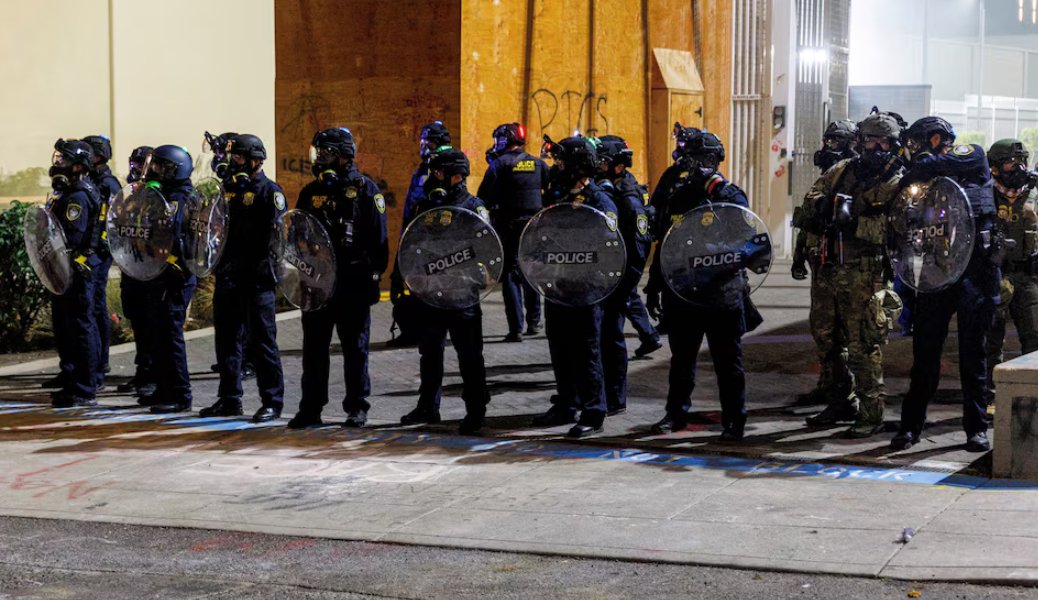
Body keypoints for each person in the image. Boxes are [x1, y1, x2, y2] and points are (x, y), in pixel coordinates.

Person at [794, 111, 906, 436]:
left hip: (865, 274)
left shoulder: (898, 182)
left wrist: (854, 219)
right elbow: (810, 199)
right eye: (870, 140)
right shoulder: (842, 170)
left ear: (893, 144)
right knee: (826, 338)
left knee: (863, 345)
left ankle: (871, 414)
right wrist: (825, 206)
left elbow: (897, 230)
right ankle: (839, 401)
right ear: (860, 141)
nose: (876, 147)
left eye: (883, 142)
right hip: (828, 269)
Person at [891, 117, 999, 452]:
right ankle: (910, 427)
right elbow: (904, 193)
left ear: (936, 139)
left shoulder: (971, 154)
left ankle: (976, 429)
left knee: (973, 357)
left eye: (918, 142)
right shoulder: (925, 180)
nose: (913, 150)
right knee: (924, 357)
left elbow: (935, 165)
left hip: (975, 274)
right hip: (936, 273)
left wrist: (925, 162)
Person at [644, 128, 754, 441]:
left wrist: (716, 190)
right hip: (684, 292)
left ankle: (734, 420)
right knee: (681, 361)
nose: (692, 164)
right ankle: (675, 414)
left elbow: (747, 238)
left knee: (728, 363)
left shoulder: (730, 195)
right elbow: (666, 245)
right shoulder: (678, 196)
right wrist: (655, 285)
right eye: (689, 158)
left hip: (722, 292)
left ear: (713, 160)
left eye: (699, 158)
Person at [287, 127, 388, 429]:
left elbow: (378, 239)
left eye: (326, 152)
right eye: (318, 152)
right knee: (314, 349)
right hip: (318, 283)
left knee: (355, 349)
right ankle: (311, 408)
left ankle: (357, 407)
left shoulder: (366, 189)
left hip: (352, 284)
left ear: (344, 156)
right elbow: (296, 235)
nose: (319, 158)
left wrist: (372, 277)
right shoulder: (310, 192)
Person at [395, 147, 492, 433]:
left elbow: (489, 249)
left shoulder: (474, 208)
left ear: (456, 176)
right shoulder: (426, 206)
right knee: (430, 353)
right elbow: (412, 242)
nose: (433, 177)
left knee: (469, 355)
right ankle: (428, 406)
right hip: (432, 293)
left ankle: (475, 410)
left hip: (462, 293)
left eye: (438, 172)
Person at [531, 136, 617, 438]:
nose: (557, 167)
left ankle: (594, 411)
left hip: (585, 289)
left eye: (562, 162)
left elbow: (609, 246)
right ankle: (566, 404)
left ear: (577, 166)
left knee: (586, 352)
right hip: (557, 285)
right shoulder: (557, 195)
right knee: (560, 349)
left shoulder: (599, 202)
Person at [198, 134, 287, 423]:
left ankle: (272, 401)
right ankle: (229, 398)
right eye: (231, 157)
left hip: (257, 279)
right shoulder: (227, 190)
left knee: (262, 342)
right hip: (228, 276)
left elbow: (278, 239)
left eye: (237, 157)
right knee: (226, 340)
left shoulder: (269, 192)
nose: (232, 162)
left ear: (255, 160)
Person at [791, 120, 860, 407]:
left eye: (835, 141)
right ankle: (828, 384)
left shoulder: (855, 176)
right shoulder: (830, 176)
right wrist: (799, 256)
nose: (828, 147)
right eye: (827, 141)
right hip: (821, 264)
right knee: (822, 329)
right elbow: (808, 220)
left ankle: (844, 395)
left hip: (843, 266)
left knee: (841, 333)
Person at [593, 135, 653, 415]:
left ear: (618, 166)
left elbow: (638, 250)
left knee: (611, 339)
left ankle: (616, 399)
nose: (598, 167)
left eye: (603, 163)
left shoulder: (628, 198)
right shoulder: (609, 191)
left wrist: (623, 287)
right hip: (604, 279)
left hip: (617, 282)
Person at [138, 145, 198, 414]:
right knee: (158, 334)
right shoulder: (162, 195)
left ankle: (180, 394)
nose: (154, 171)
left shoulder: (180, 198)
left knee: (170, 335)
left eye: (161, 167)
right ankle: (163, 388)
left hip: (175, 275)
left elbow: (174, 233)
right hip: (159, 273)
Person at [477, 122, 548, 342]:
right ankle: (534, 322)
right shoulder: (537, 163)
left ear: (504, 139)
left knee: (509, 274)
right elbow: (550, 189)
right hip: (533, 225)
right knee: (530, 271)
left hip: (508, 225)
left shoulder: (499, 164)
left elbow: (483, 197)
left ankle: (515, 328)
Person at [45, 139, 102, 407]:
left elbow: (72, 237)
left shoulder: (77, 197)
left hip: (77, 270)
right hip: (68, 270)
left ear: (78, 166)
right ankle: (72, 382)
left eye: (64, 159)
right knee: (69, 327)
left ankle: (84, 388)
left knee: (80, 328)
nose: (59, 163)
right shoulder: (71, 190)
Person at [984, 139, 1038, 409]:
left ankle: (1031, 396)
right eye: (1009, 162)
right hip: (997, 275)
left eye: (1021, 161)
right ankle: (990, 397)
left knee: (1034, 336)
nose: (1017, 167)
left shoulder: (1034, 192)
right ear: (995, 167)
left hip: (1028, 275)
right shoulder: (985, 194)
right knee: (991, 340)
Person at [389, 121, 452, 348]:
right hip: (414, 237)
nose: (423, 146)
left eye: (427, 142)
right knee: (406, 287)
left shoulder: (446, 165)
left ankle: (430, 333)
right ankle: (412, 331)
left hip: (433, 241)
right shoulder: (423, 168)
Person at [116, 146, 156, 397]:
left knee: (151, 325)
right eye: (134, 164)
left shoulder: (156, 196)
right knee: (138, 323)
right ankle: (142, 373)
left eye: (141, 165)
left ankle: (152, 376)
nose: (136, 169)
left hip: (149, 268)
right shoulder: (131, 194)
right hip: (131, 265)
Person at [82, 135, 120, 391]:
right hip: (89, 250)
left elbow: (113, 219)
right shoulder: (90, 180)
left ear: (97, 156)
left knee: (95, 305)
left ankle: (100, 362)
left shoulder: (107, 183)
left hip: (99, 253)